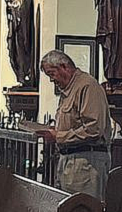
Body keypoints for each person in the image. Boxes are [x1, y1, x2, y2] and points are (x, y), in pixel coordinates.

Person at [39, 50, 109, 199]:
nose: (51, 80)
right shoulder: (68, 90)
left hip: (85, 164)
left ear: (64, 67)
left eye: (52, 74)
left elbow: (94, 129)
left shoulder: (87, 86)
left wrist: (58, 136)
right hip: (69, 161)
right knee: (67, 209)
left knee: (81, 209)